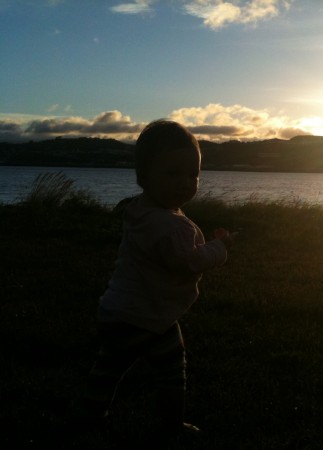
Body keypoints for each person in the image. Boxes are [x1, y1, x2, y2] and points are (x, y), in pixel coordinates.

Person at [83, 119, 234, 439]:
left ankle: (90, 416)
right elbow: (189, 261)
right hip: (148, 316)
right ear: (144, 176)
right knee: (171, 372)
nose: (185, 182)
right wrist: (219, 248)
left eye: (193, 174)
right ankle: (170, 425)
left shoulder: (138, 211)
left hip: (117, 309)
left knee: (108, 368)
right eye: (172, 173)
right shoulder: (171, 226)